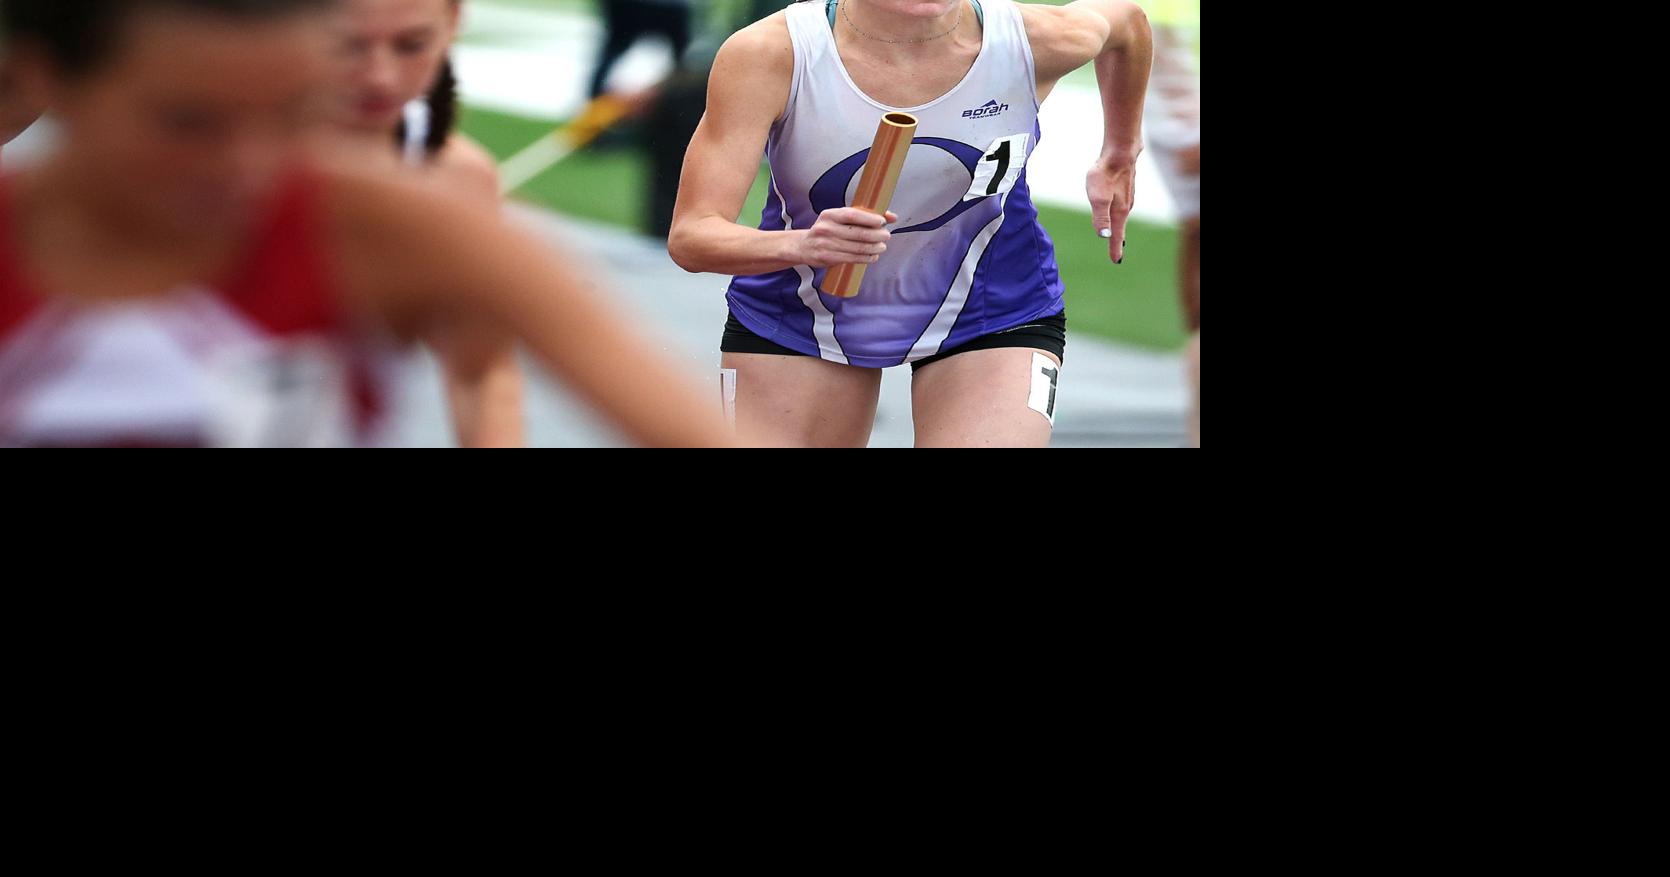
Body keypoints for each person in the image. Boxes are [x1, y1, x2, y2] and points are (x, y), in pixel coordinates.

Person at [0, 0, 730, 448]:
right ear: (44, 80)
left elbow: (501, 376)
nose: (251, 165)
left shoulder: (399, 222)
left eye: (293, 112)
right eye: (190, 122)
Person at [669, 0, 1151, 447]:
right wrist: (804, 245)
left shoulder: (1032, 39)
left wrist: (1120, 152)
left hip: (992, 310)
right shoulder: (774, 53)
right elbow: (693, 236)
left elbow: (1128, 25)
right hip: (799, 316)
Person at [334, 0, 524, 447]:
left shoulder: (453, 175)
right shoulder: (195, 158)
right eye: (347, 44)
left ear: (454, 21)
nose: (380, 75)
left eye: (411, 44)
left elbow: (481, 368)